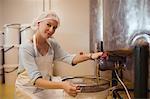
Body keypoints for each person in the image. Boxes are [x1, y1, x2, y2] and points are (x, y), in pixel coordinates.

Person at [15, 10, 104, 99]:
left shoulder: (52, 44)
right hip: (27, 89)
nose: (51, 30)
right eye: (48, 25)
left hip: (44, 87)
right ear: (38, 23)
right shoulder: (26, 48)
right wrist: (62, 85)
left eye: (54, 28)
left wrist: (91, 56)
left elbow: (69, 58)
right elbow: (36, 81)